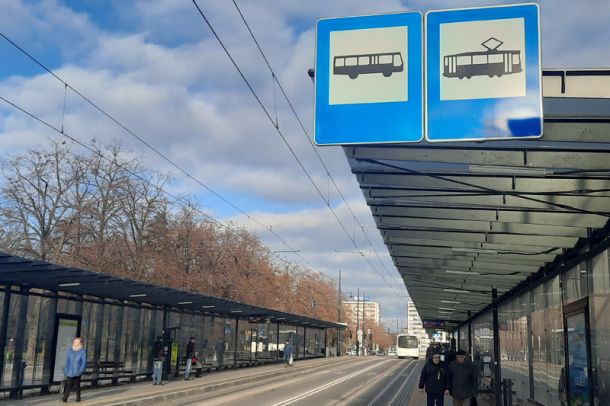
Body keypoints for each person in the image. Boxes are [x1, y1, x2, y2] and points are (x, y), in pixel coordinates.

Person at [62, 337, 87, 403]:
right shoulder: (70, 350)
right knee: (68, 385)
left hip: (77, 371)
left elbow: (83, 362)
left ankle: (78, 397)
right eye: (74, 341)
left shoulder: (82, 351)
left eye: (76, 342)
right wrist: (65, 369)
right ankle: (65, 398)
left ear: (80, 343)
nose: (74, 343)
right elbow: (67, 360)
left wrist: (81, 370)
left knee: (77, 385)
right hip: (70, 371)